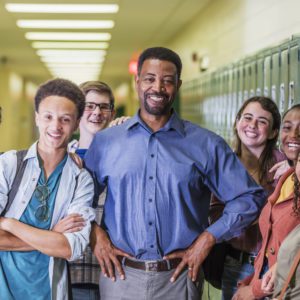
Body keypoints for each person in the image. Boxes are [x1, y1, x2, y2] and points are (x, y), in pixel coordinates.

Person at [84, 46, 266, 300]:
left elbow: (250, 198)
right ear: (137, 82)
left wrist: (209, 237)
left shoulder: (205, 144)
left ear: (178, 85)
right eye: (149, 79)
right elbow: (76, 199)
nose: (157, 88)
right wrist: (94, 232)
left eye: (167, 81)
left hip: (179, 279)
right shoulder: (106, 142)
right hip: (120, 278)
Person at [0, 78, 95, 300]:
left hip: (48, 292)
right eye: (48, 117)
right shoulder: (8, 165)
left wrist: (8, 223)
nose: (55, 126)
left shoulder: (81, 179)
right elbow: (59, 243)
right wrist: (53, 236)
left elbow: (70, 249)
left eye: (65, 119)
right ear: (37, 118)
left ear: (77, 123)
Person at [209, 96, 285, 299]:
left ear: (273, 132)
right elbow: (214, 212)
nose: (252, 125)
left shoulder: (283, 165)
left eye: (262, 121)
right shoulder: (225, 164)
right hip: (235, 263)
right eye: (248, 117)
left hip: (273, 267)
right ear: (237, 122)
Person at [233, 104, 300, 300]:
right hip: (268, 283)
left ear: (271, 132)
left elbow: (291, 258)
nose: (294, 135)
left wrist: (254, 290)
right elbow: (272, 244)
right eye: (288, 128)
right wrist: (252, 280)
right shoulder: (287, 177)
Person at [58, 81, 116, 300]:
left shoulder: (126, 158)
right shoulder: (59, 160)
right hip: (70, 270)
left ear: (111, 114)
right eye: (89, 106)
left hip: (113, 273)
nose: (97, 112)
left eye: (104, 107)